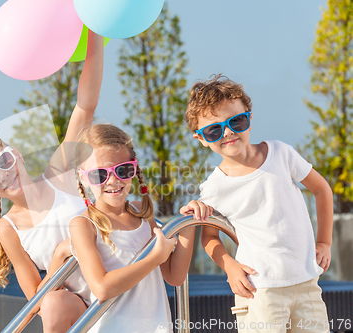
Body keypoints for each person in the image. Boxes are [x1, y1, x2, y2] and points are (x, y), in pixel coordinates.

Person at [0, 31, 104, 333]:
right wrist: (60, 255)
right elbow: (36, 302)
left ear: (17, 155)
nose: (2, 174)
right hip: (82, 312)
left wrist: (93, 31)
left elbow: (85, 106)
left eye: (3, 161)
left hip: (118, 284)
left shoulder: (59, 173)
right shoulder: (8, 228)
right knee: (52, 304)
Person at [181, 74, 333, 333]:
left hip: (307, 281)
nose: (228, 132)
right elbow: (209, 237)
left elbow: (322, 190)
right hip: (259, 289)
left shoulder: (281, 153)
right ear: (201, 138)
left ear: (249, 118)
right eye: (214, 129)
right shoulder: (214, 187)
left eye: (236, 121)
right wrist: (229, 266)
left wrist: (324, 242)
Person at [70, 124, 211, 333]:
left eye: (122, 170)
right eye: (99, 174)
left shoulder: (141, 211)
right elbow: (102, 288)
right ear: (84, 178)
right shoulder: (83, 225)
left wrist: (187, 226)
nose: (113, 180)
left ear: (134, 168)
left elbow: (174, 276)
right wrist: (155, 258)